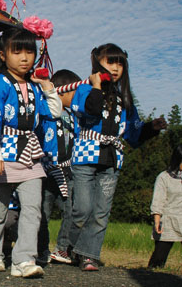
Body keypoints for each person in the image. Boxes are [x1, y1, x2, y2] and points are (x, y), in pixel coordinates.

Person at [0, 27, 62, 278]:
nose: (24, 57)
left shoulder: (34, 87)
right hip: (2, 154)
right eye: (17, 51)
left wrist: (48, 88)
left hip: (30, 156)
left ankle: (23, 259)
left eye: (30, 51)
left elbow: (53, 113)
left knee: (33, 209)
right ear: (2, 55)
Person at [68, 43, 167, 271]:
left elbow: (133, 134)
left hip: (112, 159)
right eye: (110, 61)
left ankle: (89, 255)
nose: (115, 67)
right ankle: (70, 246)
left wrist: (151, 127)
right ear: (97, 62)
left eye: (120, 62)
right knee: (82, 209)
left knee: (102, 212)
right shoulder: (84, 90)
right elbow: (90, 110)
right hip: (86, 156)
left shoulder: (125, 100)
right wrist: (96, 85)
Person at [36, 69, 81, 264]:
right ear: (61, 91)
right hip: (46, 168)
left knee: (72, 210)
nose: (77, 97)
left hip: (67, 170)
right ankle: (41, 250)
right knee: (42, 212)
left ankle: (63, 248)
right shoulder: (45, 111)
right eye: (74, 93)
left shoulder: (75, 116)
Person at [147, 144, 182, 269]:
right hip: (168, 220)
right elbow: (158, 200)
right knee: (158, 259)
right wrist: (157, 220)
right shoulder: (164, 177)